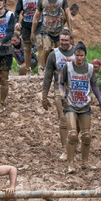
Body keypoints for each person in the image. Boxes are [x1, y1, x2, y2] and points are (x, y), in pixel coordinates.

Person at [59, 41, 101, 173]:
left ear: (85, 55)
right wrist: (62, 96)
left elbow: (94, 85)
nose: (79, 58)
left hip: (85, 105)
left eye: (82, 55)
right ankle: (70, 164)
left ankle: (85, 163)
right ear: (74, 55)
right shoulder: (67, 67)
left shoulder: (90, 68)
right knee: (73, 134)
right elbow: (61, 83)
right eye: (77, 55)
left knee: (87, 135)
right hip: (71, 104)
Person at [42, 29, 75, 161]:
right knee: (63, 121)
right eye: (62, 40)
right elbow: (47, 76)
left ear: (71, 40)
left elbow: (85, 72)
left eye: (66, 40)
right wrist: (44, 95)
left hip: (75, 91)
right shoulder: (53, 55)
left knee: (75, 120)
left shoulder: (77, 53)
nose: (64, 43)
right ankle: (64, 149)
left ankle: (73, 142)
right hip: (59, 90)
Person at [31, 0, 73, 71]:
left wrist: (70, 30)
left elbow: (68, 14)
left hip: (58, 29)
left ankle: (59, 68)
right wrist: (32, 32)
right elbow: (36, 16)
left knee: (59, 50)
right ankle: (44, 67)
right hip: (46, 29)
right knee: (46, 48)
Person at [14, 0, 43, 75]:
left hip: (38, 24)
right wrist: (17, 23)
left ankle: (40, 68)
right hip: (26, 24)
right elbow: (17, 12)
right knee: (27, 47)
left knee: (39, 44)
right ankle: (27, 69)